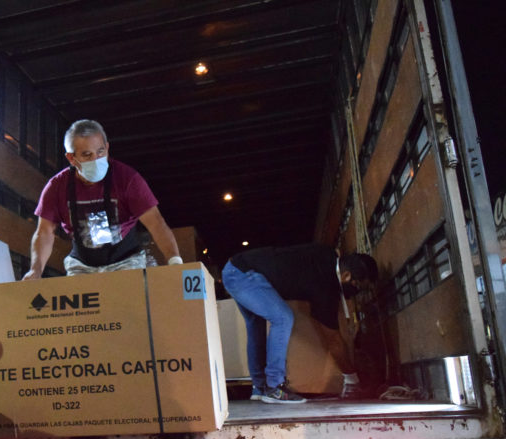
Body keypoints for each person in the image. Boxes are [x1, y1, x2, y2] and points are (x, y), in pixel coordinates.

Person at [22, 119, 182, 279]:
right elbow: (44, 232)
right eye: (87, 155)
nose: (96, 160)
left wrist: (174, 261)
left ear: (107, 147)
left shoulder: (128, 179)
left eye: (100, 152)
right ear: (71, 158)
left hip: (126, 261)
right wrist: (35, 270)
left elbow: (156, 223)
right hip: (81, 265)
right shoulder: (56, 187)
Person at [221, 243, 378, 404]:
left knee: (256, 326)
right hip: (244, 275)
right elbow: (333, 341)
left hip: (235, 269)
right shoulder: (325, 285)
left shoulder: (327, 255)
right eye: (358, 286)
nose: (357, 292)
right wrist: (352, 378)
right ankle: (274, 386)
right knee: (283, 318)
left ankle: (260, 387)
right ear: (346, 276)